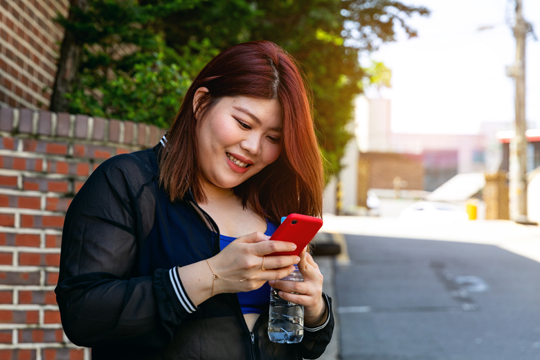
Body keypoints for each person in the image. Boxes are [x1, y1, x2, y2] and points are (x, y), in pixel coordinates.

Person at [56, 41, 334, 360]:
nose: (255, 146)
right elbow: (83, 315)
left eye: (274, 138)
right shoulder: (126, 182)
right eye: (244, 123)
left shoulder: (274, 204)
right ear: (201, 103)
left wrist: (314, 309)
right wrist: (212, 276)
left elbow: (304, 345)